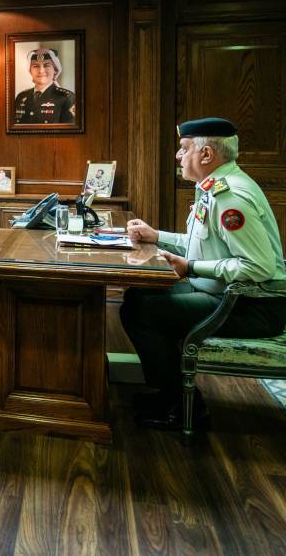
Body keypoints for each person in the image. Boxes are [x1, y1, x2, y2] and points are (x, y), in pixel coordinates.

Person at [121, 118, 286, 430]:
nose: (178, 155)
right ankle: (171, 395)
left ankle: (185, 406)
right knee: (139, 296)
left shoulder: (230, 196)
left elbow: (258, 267)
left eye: (184, 149)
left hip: (253, 305)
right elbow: (204, 245)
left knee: (143, 312)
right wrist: (156, 236)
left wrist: (191, 268)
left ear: (207, 154)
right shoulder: (215, 187)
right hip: (223, 293)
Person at [13, 48, 75, 124]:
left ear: (55, 70)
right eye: (35, 66)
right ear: (30, 71)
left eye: (47, 65)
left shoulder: (67, 98)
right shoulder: (21, 97)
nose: (41, 71)